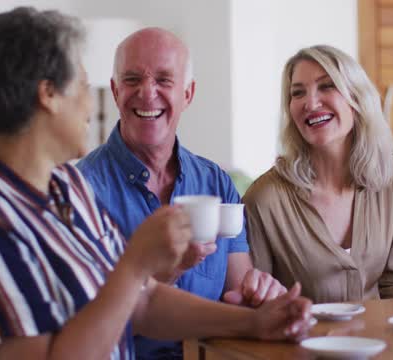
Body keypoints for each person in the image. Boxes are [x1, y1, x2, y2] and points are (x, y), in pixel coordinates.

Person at [0, 7, 312, 359]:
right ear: (48, 95)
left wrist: (256, 322)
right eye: (80, 82)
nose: (92, 105)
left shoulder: (66, 188)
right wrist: (135, 263)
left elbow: (143, 301)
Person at [76, 27, 287, 358]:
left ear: (188, 94)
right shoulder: (81, 190)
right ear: (115, 91)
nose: (147, 93)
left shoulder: (216, 183)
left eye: (163, 80)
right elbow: (85, 324)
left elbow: (237, 294)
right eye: (132, 80)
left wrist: (260, 292)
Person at [242, 45, 393, 304]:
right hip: (300, 343)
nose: (310, 103)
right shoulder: (264, 198)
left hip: (378, 342)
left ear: (356, 100)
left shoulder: (384, 183)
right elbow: (257, 303)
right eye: (297, 93)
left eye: (327, 86)